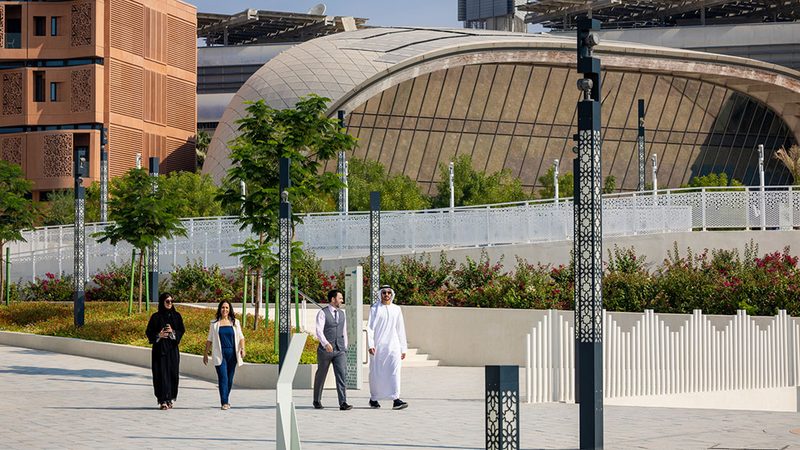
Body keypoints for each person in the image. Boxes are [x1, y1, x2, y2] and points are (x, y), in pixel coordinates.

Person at [367, 285, 408, 410]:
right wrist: (370, 344)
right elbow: (370, 328)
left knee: (395, 372)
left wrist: (403, 348)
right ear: (380, 294)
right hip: (378, 347)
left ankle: (396, 399)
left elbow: (400, 329)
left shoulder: (397, 309)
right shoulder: (375, 309)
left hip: (394, 346)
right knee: (376, 373)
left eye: (389, 292)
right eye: (384, 292)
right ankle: (374, 398)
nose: (386, 295)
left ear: (392, 294)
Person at [313, 289, 352, 410]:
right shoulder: (322, 313)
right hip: (326, 350)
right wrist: (325, 343)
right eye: (340, 298)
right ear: (333, 299)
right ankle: (317, 400)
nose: (342, 300)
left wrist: (345, 346)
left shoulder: (342, 313)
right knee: (321, 374)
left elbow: (344, 331)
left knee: (341, 375)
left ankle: (343, 402)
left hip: (340, 350)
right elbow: (319, 331)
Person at [145, 292, 185, 410]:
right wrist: (159, 335)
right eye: (167, 301)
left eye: (171, 301)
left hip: (172, 350)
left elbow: (181, 330)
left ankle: (170, 398)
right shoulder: (156, 317)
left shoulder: (176, 316)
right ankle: (163, 400)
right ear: (162, 302)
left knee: (173, 374)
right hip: (159, 350)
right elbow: (149, 332)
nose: (170, 304)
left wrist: (173, 332)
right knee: (160, 375)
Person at [203, 300, 245, 410]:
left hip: (232, 354)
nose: (224, 310)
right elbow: (209, 339)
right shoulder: (214, 323)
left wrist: (243, 349)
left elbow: (241, 337)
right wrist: (205, 353)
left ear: (230, 309)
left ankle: (226, 398)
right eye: (222, 307)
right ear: (219, 309)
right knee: (223, 378)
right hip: (220, 354)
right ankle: (224, 402)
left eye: (226, 308)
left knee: (230, 379)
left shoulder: (235, 322)